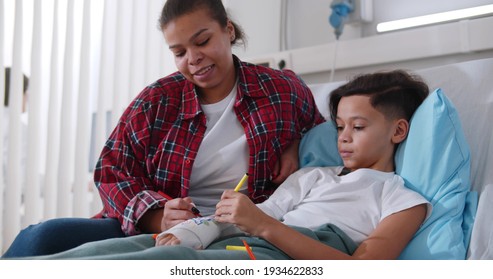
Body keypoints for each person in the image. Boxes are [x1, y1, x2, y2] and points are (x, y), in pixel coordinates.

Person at [2, 0, 324, 258]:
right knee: (40, 238)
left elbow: (326, 140)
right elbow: (112, 170)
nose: (194, 59)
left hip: (244, 227)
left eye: (203, 41)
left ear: (228, 30)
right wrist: (157, 215)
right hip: (163, 227)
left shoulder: (282, 89)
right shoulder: (158, 100)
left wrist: (295, 143)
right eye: (180, 52)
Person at [27, 69, 432, 260]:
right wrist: (197, 228)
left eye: (358, 127)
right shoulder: (313, 176)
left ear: (398, 131)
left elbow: (362, 270)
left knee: (162, 264)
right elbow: (256, 216)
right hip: (239, 240)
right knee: (113, 249)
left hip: (282, 257)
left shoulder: (401, 197)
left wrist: (263, 226)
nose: (342, 137)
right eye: (340, 126)